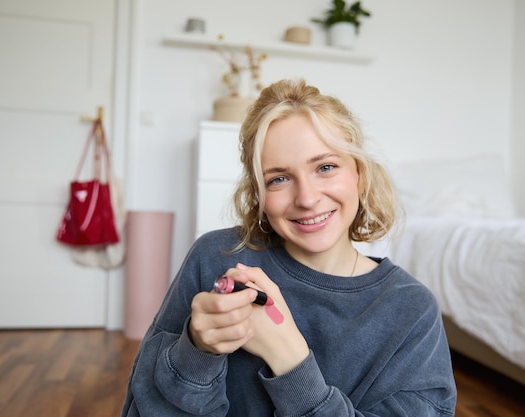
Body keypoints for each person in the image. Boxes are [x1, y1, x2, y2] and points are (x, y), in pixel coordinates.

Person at [121, 79, 457, 416]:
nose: (307, 199)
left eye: (326, 167)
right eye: (278, 178)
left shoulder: (411, 311)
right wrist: (196, 352)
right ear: (258, 194)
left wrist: (289, 357)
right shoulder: (216, 256)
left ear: (360, 173)